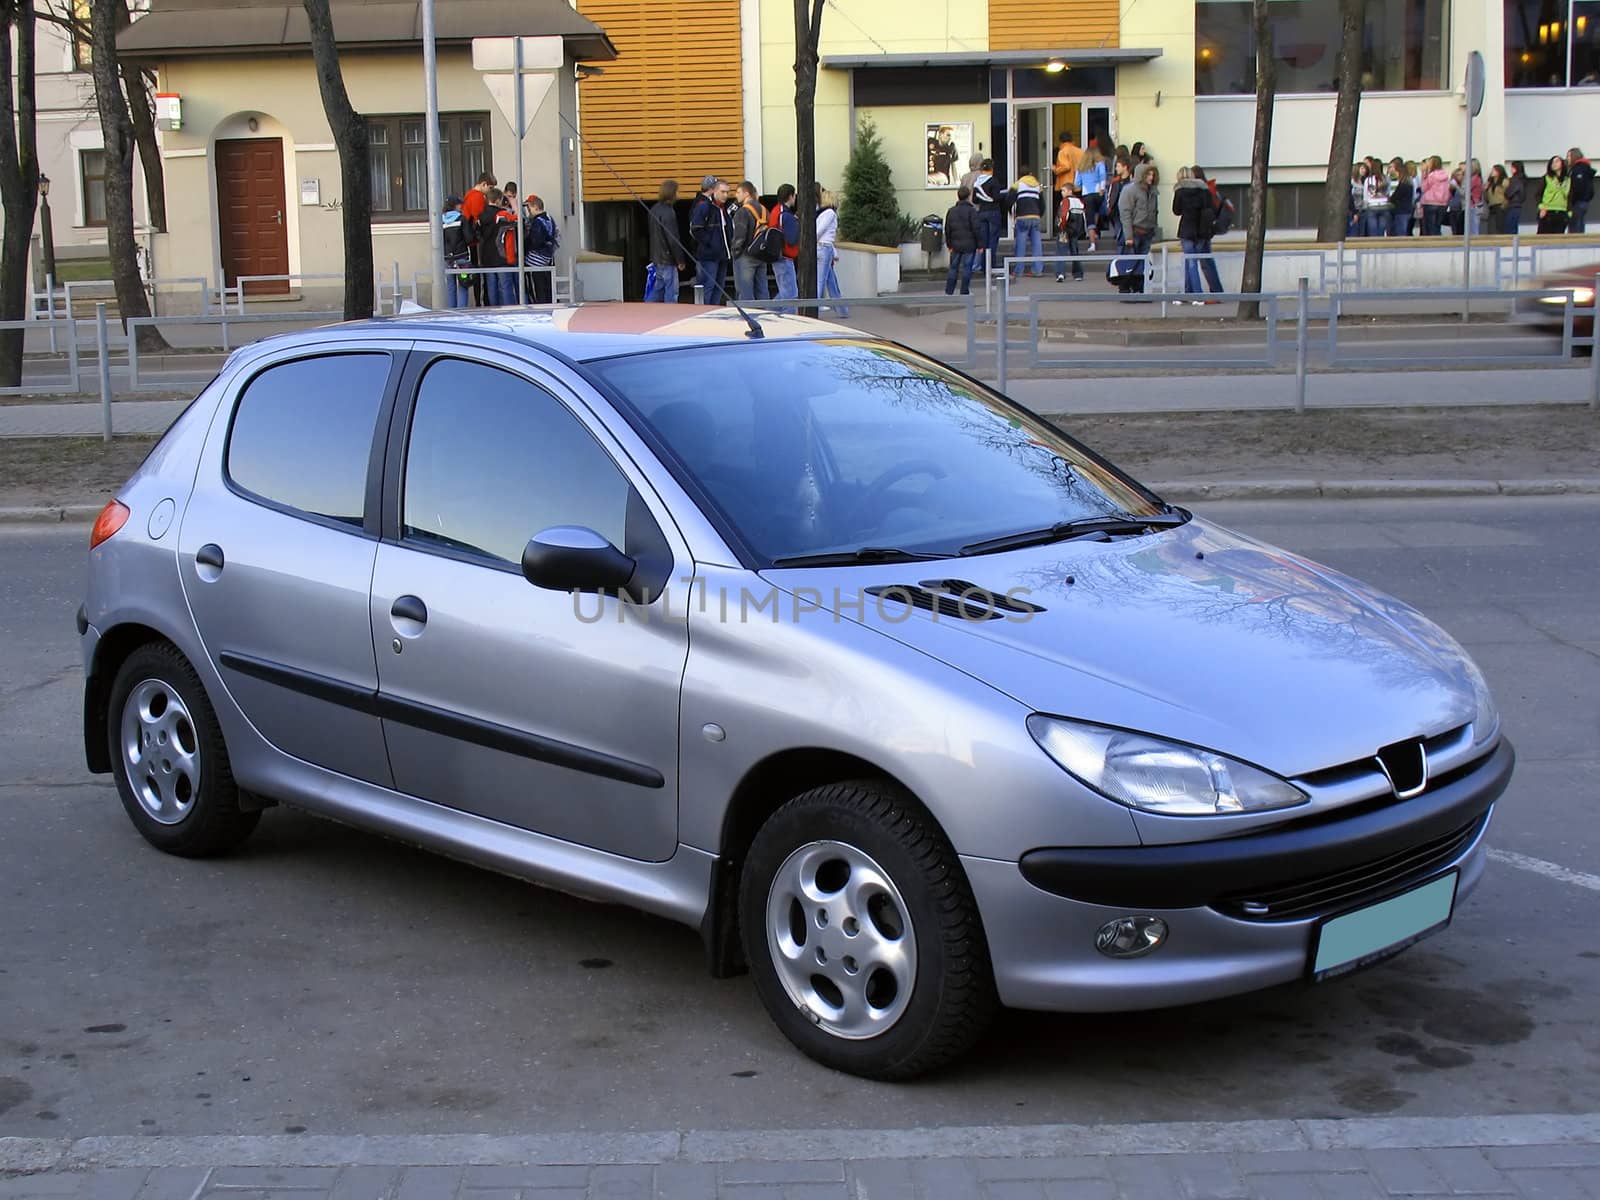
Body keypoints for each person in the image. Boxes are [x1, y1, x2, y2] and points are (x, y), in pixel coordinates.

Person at [1172, 165, 1221, 300]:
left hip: (1186, 230)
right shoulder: (1203, 189)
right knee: (1197, 261)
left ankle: (1197, 294)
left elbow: (1176, 210)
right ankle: (1188, 291)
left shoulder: (1180, 191)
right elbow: (1209, 207)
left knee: (1190, 261)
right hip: (1201, 230)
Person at [689, 176, 732, 302]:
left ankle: (714, 312)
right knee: (709, 286)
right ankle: (705, 313)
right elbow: (695, 229)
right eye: (722, 192)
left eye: (727, 192)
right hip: (709, 255)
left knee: (719, 287)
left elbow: (727, 230)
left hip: (722, 254)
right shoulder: (704, 207)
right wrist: (711, 243)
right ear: (714, 191)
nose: (725, 195)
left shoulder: (722, 209)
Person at [460, 171, 496, 305]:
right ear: (484, 184)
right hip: (476, 241)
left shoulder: (469, 195)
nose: (490, 192)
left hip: (471, 241)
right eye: (490, 188)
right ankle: (480, 301)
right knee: (479, 272)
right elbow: (480, 219)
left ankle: (478, 301)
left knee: (476, 271)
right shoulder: (477, 197)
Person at [645, 179, 684, 303]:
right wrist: (680, 260)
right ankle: (671, 314)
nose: (679, 194)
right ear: (672, 193)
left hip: (656, 257)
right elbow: (673, 239)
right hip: (668, 259)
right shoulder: (669, 212)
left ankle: (647, 309)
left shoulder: (654, 209)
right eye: (677, 191)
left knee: (658, 288)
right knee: (671, 291)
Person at [729, 180, 769, 302]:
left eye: (738, 192)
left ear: (746, 193)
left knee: (745, 291)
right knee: (762, 290)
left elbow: (740, 236)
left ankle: (748, 317)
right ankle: (766, 315)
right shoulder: (763, 209)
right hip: (761, 254)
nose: (736, 195)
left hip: (745, 255)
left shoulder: (742, 211)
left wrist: (735, 253)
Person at [815, 184, 848, 316]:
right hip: (824, 248)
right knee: (821, 281)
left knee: (831, 281)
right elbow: (821, 232)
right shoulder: (830, 214)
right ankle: (814, 310)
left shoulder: (821, 213)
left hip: (823, 247)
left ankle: (842, 310)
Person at [475, 187, 512, 305]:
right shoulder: (501, 215)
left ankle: (493, 310)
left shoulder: (480, 216)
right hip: (501, 254)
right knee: (505, 286)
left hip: (486, 255)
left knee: (491, 287)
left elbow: (477, 233)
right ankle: (507, 310)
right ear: (498, 200)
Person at [768, 184, 800, 312]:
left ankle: (768, 312)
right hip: (786, 257)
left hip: (777, 255)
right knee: (791, 296)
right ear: (790, 196)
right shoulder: (787, 216)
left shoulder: (776, 211)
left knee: (784, 292)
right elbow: (792, 239)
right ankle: (788, 322)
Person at [943, 184, 980, 295]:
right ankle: (964, 290)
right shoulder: (972, 211)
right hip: (969, 244)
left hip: (955, 244)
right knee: (967, 268)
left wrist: (949, 245)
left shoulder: (951, 211)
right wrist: (980, 245)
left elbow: (947, 229)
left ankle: (949, 291)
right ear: (968, 196)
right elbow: (976, 228)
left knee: (953, 268)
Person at [521, 194, 558, 304]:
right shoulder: (549, 218)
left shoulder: (537, 222)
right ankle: (548, 303)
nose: (528, 211)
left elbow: (535, 240)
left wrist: (525, 246)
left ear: (535, 207)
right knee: (546, 284)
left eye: (529, 208)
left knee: (536, 285)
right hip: (547, 257)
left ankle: (538, 305)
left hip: (535, 260)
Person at [1009, 166, 1045, 277]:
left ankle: (1019, 270)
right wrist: (1039, 215)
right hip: (1035, 217)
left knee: (1021, 244)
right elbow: (1042, 204)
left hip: (1022, 217)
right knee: (1037, 244)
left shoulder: (1017, 184)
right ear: (1030, 173)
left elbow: (1009, 200)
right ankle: (1037, 270)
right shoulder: (1037, 186)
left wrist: (1011, 213)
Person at [1118, 163, 1158, 256]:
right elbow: (1125, 213)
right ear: (1141, 175)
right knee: (1131, 264)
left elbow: (1155, 211)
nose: (1151, 177)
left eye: (1152, 175)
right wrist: (1128, 236)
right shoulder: (1129, 190)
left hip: (1148, 232)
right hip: (1135, 232)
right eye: (1148, 175)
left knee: (1144, 264)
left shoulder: (1153, 191)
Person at [972, 159, 1003, 273]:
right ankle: (991, 266)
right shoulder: (993, 181)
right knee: (993, 240)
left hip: (982, 212)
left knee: (984, 240)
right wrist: (1004, 195)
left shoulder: (977, 183)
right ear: (991, 169)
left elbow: (974, 200)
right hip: (993, 212)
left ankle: (984, 266)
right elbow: (996, 197)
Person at [1074, 146, 1108, 252]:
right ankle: (1096, 232)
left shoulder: (1081, 167)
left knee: (1090, 218)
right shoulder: (1100, 164)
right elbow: (1103, 175)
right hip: (1098, 193)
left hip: (1087, 194)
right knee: (1097, 213)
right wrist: (1102, 188)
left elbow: (1077, 183)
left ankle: (1092, 243)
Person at [440, 195, 472, 309]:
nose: (461, 206)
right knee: (463, 284)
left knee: (450, 286)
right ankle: (462, 311)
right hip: (461, 258)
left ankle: (452, 311)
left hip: (447, 259)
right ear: (455, 206)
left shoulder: (441, 221)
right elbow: (469, 238)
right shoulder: (461, 219)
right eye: (459, 204)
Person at [1054, 185, 1085, 282]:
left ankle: (1060, 273)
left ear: (1070, 191)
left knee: (1061, 252)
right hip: (1075, 231)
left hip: (1065, 231)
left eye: (1063, 190)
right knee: (1075, 252)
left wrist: (1060, 227)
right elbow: (1083, 217)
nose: (1061, 192)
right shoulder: (1079, 202)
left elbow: (1063, 215)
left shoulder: (1066, 201)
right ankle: (1078, 274)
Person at [1538, 155, 1571, 233]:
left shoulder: (1567, 180)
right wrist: (1542, 208)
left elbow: (1570, 196)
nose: (1554, 164)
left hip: (1562, 212)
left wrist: (1569, 212)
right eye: (1552, 162)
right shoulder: (1546, 178)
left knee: (1558, 238)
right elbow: (1538, 194)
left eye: (1557, 161)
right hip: (1548, 211)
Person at [1419, 156, 1451, 236]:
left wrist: (1424, 174)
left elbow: (1423, 188)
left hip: (1430, 202)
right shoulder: (1445, 175)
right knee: (1437, 226)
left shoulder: (1431, 176)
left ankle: (1430, 245)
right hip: (1443, 203)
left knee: (1430, 227)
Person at [1567, 148, 1595, 233]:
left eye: (1569, 156)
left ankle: (1576, 245)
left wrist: (1572, 200)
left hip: (1578, 202)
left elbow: (1578, 187)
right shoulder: (1584, 168)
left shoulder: (1579, 168)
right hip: (1583, 201)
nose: (1567, 158)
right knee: (1579, 224)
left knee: (1575, 227)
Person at [1362, 162, 1391, 237]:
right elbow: (1388, 192)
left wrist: (1365, 205)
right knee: (1382, 228)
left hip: (1372, 205)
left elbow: (1365, 195)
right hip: (1384, 205)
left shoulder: (1368, 180)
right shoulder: (1386, 179)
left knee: (1372, 229)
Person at [1388, 160, 1415, 238]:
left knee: (1400, 232)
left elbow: (1395, 197)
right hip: (1407, 210)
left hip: (1401, 211)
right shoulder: (1409, 182)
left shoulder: (1403, 184)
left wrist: (1389, 199)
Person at [1051, 132, 1082, 197]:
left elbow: (1066, 166)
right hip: (1079, 184)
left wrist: (1055, 169)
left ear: (1060, 141)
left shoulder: (1062, 151)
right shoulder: (1080, 151)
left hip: (1066, 183)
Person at [1505, 162, 1528, 235]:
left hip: (1513, 204)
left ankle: (1512, 244)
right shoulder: (1521, 179)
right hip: (1517, 205)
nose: (1510, 169)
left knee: (1510, 227)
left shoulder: (1516, 180)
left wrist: (1506, 192)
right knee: (1512, 226)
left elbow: (1509, 193)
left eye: (1512, 167)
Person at [1485, 165, 1509, 236]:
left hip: (1500, 205)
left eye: (1494, 170)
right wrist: (1485, 189)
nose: (1492, 172)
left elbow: (1507, 193)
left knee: (1499, 225)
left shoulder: (1504, 181)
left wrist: (1504, 205)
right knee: (1491, 225)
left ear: (1499, 172)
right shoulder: (1490, 182)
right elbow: (1487, 197)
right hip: (1492, 205)